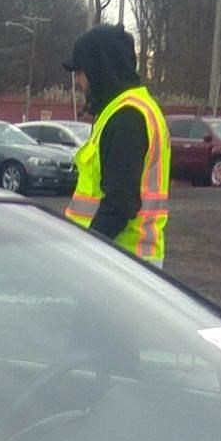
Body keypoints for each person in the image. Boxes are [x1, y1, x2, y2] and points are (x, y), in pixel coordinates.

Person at [61, 25, 169, 265]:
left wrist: (86, 250)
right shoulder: (128, 110)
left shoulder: (127, 117)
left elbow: (119, 205)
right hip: (122, 257)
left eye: (80, 72)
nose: (78, 81)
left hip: (119, 259)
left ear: (99, 70)